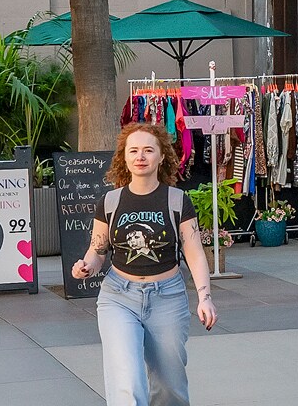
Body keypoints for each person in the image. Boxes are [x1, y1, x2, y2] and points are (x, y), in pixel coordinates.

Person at [73, 122, 217, 406]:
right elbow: (98, 250)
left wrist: (205, 297)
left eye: (148, 150)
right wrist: (86, 265)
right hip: (118, 297)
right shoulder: (110, 202)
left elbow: (195, 252)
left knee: (169, 387)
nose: (141, 156)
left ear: (162, 156)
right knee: (126, 382)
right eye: (134, 150)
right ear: (124, 157)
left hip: (168, 297)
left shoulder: (177, 201)